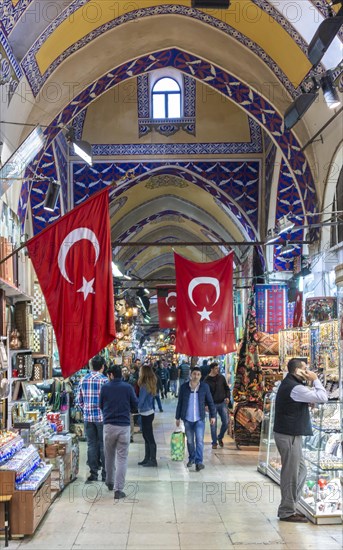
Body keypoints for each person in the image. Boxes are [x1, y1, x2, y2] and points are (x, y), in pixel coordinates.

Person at [273, 358, 328, 523]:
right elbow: (323, 397)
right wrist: (316, 379)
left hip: (291, 433)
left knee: (301, 471)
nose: (308, 371)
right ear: (298, 371)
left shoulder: (293, 385)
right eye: (305, 368)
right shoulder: (295, 387)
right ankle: (287, 511)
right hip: (288, 435)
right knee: (291, 473)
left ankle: (291, 504)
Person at [99, 364, 138, 500]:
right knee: (122, 458)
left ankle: (109, 482)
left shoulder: (105, 388)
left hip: (109, 426)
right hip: (124, 427)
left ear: (111, 375)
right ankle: (118, 489)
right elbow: (135, 405)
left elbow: (101, 405)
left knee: (109, 455)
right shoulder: (128, 388)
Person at [175, 367, 216, 471]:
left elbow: (210, 402)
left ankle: (199, 462)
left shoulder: (204, 387)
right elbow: (180, 403)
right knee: (189, 441)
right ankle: (191, 458)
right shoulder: (184, 387)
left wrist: (213, 416)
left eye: (198, 374)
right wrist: (177, 417)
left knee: (199, 441)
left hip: (199, 418)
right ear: (190, 374)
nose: (196, 376)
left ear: (201, 376)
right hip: (187, 419)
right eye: (194, 374)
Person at [77, 355, 108, 483]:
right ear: (102, 367)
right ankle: (105, 474)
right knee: (103, 445)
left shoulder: (83, 380)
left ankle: (93, 473)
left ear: (91, 366)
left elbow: (78, 401)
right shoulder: (105, 381)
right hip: (102, 417)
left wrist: (86, 409)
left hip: (88, 418)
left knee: (91, 445)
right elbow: (108, 400)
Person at [205, 362, 231, 449]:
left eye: (218, 368)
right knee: (213, 424)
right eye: (216, 368)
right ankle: (214, 442)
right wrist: (206, 404)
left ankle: (220, 437)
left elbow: (227, 388)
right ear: (211, 369)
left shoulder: (221, 377)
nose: (218, 370)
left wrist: (227, 397)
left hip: (222, 403)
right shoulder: (206, 380)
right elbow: (204, 394)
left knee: (226, 422)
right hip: (212, 404)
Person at [138, 364, 158, 467]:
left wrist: (135, 407)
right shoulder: (150, 383)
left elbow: (141, 400)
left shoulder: (144, 385)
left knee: (149, 437)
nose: (139, 372)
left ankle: (153, 460)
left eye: (140, 371)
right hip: (149, 412)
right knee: (146, 436)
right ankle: (147, 458)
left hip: (146, 412)